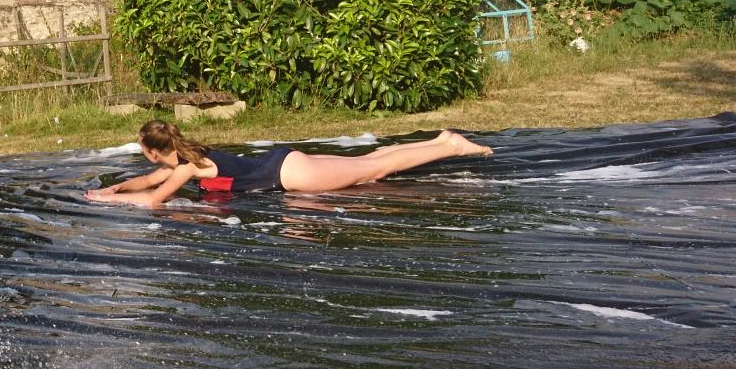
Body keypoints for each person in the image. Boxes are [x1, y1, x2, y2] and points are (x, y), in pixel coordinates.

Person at [87, 119, 493, 205]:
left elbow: (156, 198)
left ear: (152, 149)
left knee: (375, 169)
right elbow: (150, 181)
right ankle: (439, 139)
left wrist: (107, 201)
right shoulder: (186, 157)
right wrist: (118, 187)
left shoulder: (187, 166)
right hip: (285, 164)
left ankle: (451, 146)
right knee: (369, 160)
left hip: (294, 175)